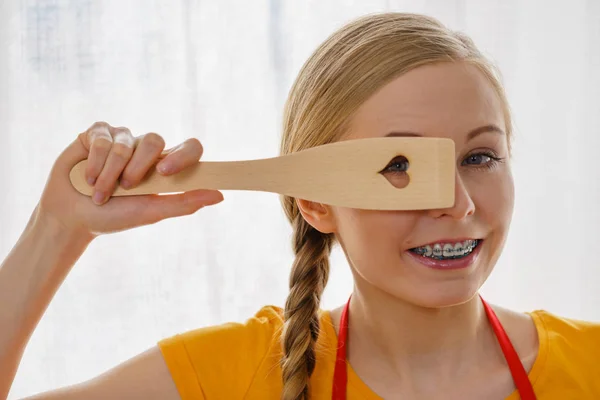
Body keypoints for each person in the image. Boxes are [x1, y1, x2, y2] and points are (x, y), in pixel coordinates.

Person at [1, 12, 599, 400]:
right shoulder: (230, 376)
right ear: (315, 200)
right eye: (399, 168)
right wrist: (55, 229)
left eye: (481, 157)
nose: (458, 204)